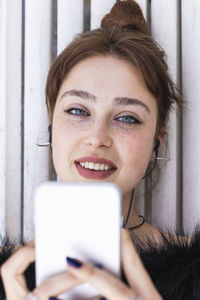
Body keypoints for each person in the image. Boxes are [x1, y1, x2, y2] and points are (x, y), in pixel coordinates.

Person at [1, 1, 200, 299]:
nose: (97, 138)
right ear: (51, 125)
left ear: (156, 141)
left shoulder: (193, 274)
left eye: (127, 118)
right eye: (78, 111)